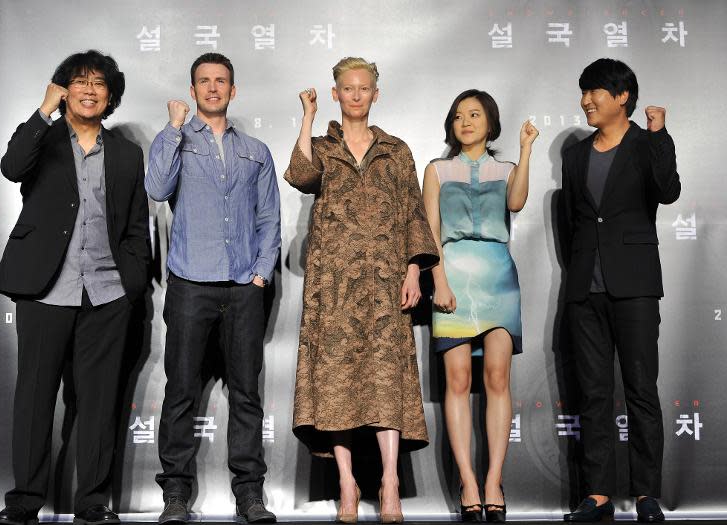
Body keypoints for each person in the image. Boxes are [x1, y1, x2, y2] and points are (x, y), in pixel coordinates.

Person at [0, 50, 151, 525]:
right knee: (35, 399)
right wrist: (43, 111)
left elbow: (137, 226)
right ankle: (23, 503)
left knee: (100, 403)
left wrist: (131, 283)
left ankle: (93, 502)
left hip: (106, 293)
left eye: (99, 83)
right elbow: (11, 167)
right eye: (79, 81)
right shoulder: (43, 139)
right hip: (45, 290)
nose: (89, 90)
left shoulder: (125, 152)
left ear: (110, 96)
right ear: (63, 90)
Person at [285, 57, 439, 524]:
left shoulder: (396, 150)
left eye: (364, 88)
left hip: (386, 282)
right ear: (336, 93)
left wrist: (414, 271)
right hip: (332, 287)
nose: (356, 95)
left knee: (386, 380)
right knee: (336, 387)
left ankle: (389, 480)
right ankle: (347, 484)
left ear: (375, 94)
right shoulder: (321, 147)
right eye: (347, 88)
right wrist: (308, 116)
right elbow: (300, 175)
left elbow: (414, 213)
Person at [145, 52, 281, 524]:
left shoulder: (256, 151)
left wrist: (261, 272)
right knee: (181, 391)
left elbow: (269, 217)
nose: (213, 88)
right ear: (193, 89)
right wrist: (172, 128)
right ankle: (176, 497)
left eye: (221, 81)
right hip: (190, 285)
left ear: (233, 90)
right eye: (204, 81)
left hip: (244, 287)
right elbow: (158, 188)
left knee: (246, 395)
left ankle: (250, 495)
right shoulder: (177, 141)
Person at [561, 58, 680, 523]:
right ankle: (598, 494)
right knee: (592, 393)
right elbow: (573, 219)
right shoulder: (575, 155)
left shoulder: (646, 143)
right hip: (584, 290)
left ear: (622, 96)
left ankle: (647, 494)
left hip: (634, 284)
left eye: (594, 92)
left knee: (640, 390)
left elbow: (667, 191)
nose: (586, 101)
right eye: (583, 92)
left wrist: (659, 135)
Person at [422, 90, 538, 522]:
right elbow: (430, 230)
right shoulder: (436, 170)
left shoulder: (506, 168)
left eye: (475, 114)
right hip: (453, 277)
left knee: (496, 377)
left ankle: (494, 481)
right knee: (455, 379)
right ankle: (468, 482)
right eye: (458, 116)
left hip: (498, 278)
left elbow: (515, 202)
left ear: (490, 122)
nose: (466, 121)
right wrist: (439, 281)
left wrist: (526, 151)